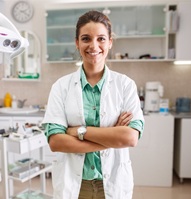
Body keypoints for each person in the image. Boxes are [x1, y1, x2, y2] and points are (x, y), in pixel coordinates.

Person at [42, 10, 144, 199]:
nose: (93, 45)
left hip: (113, 182)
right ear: (77, 43)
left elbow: (130, 138)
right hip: (74, 184)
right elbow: (56, 142)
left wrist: (78, 131)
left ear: (110, 42)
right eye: (86, 38)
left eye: (101, 39)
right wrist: (112, 137)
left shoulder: (125, 85)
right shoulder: (61, 87)